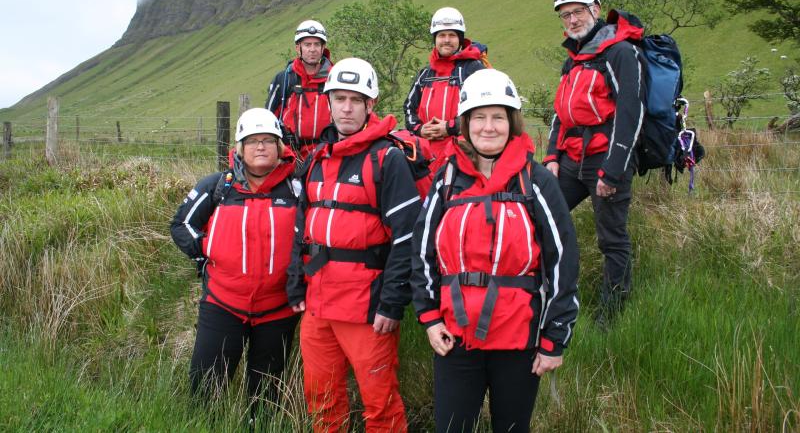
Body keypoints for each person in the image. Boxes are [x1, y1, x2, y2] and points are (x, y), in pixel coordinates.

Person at [411, 69, 579, 433]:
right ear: (466, 123)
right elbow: (422, 252)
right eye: (480, 117)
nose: (489, 127)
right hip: (454, 338)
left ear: (512, 122)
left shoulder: (536, 182)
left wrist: (555, 339)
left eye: (498, 117)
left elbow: (563, 262)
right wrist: (429, 318)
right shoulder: (446, 180)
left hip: (519, 341)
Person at [286, 57, 422, 433]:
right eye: (340, 98)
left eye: (355, 100)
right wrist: (296, 279)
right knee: (322, 400)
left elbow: (408, 236)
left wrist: (392, 302)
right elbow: (302, 227)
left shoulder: (388, 158)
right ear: (328, 103)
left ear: (370, 106)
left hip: (367, 307)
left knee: (380, 405)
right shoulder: (316, 159)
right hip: (318, 303)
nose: (346, 107)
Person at [170, 108, 301, 415]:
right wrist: (206, 247)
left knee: (266, 400)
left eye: (268, 140)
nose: (260, 147)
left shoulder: (297, 188)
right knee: (205, 392)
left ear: (280, 147)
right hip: (222, 305)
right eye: (252, 140)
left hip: (278, 310)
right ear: (240, 148)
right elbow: (181, 225)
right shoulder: (219, 186)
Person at [543, 0, 646, 326]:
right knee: (540, 217)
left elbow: (631, 114)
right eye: (565, 15)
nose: (571, 20)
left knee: (611, 239)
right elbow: (561, 114)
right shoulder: (573, 58)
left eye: (577, 12)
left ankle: (611, 316)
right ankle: (546, 295)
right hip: (571, 159)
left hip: (606, 158)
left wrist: (613, 171)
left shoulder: (620, 51)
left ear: (596, 9)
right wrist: (551, 157)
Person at [403, 7, 485, 158]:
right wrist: (419, 129)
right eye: (441, 35)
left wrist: (450, 127)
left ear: (460, 39)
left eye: (452, 35)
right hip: (426, 154)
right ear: (435, 39)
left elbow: (484, 111)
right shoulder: (425, 74)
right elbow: (409, 108)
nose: (446, 40)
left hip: (463, 152)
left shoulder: (473, 69)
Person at [266, 19, 334, 159]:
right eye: (307, 44)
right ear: (298, 48)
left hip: (328, 152)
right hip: (291, 154)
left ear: (323, 47)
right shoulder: (284, 78)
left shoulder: (335, 78)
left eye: (316, 44)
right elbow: (268, 116)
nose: (312, 49)